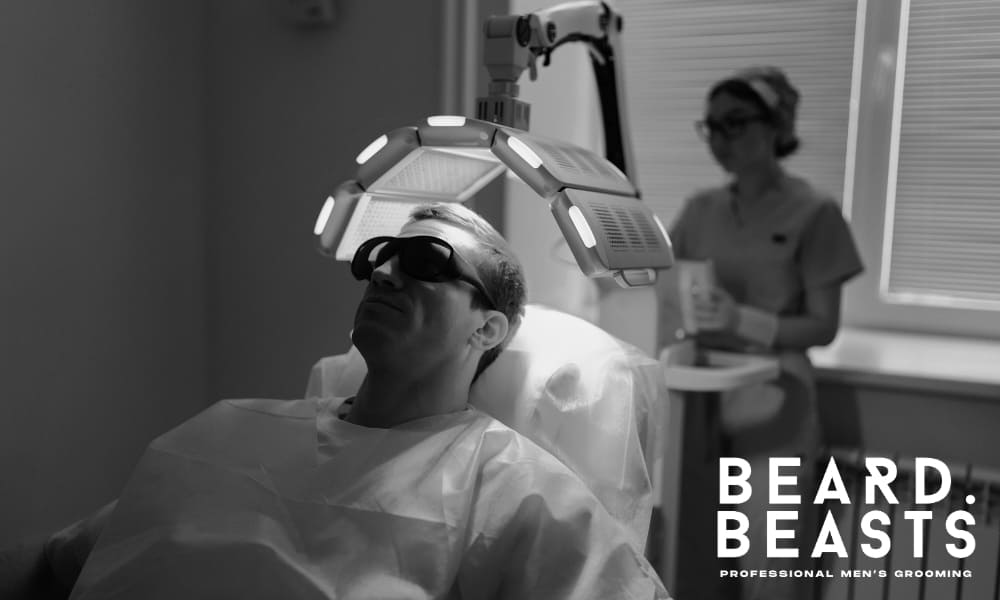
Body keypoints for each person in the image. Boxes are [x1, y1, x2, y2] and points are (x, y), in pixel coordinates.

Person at [1, 202, 670, 599]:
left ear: (487, 328)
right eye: (380, 255)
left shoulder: (511, 488)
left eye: (426, 262)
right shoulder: (231, 429)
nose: (382, 271)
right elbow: (59, 562)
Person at [661, 66, 864, 600]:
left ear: (776, 125)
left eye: (736, 122)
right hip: (699, 397)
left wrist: (741, 320)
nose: (722, 139)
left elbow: (823, 326)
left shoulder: (814, 213)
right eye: (712, 127)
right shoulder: (699, 210)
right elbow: (664, 288)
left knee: (767, 565)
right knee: (693, 554)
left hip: (775, 396)